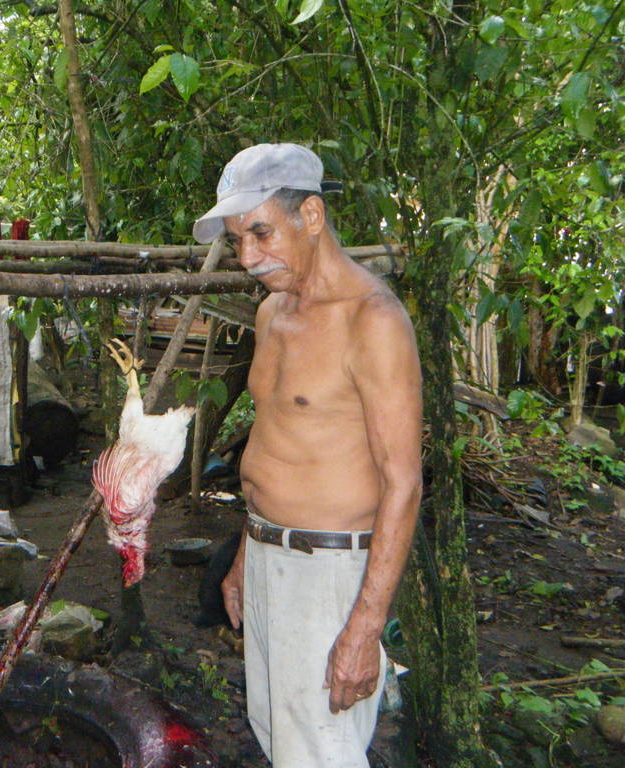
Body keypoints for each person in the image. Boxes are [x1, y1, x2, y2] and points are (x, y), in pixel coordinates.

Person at [193, 143, 422, 767]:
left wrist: (366, 627)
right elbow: (276, 445)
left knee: (320, 755)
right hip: (269, 558)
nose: (247, 258)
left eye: (261, 233)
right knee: (275, 733)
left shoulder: (372, 321)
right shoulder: (272, 314)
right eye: (239, 239)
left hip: (330, 576)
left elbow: (403, 483)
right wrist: (246, 552)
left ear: (312, 217)